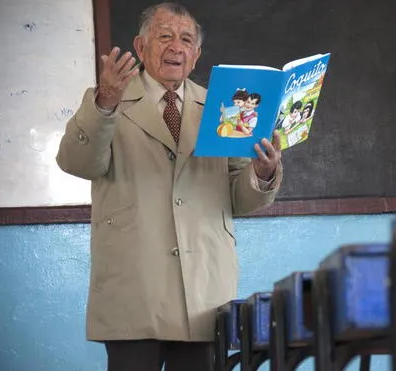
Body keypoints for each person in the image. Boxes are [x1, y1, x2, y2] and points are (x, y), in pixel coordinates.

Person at [55, 2, 283, 370]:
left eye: (186, 39)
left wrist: (263, 173)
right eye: (164, 36)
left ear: (196, 56)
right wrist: (105, 102)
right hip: (133, 291)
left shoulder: (224, 108)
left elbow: (240, 199)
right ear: (141, 47)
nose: (176, 46)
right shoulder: (108, 99)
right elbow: (77, 162)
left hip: (204, 293)